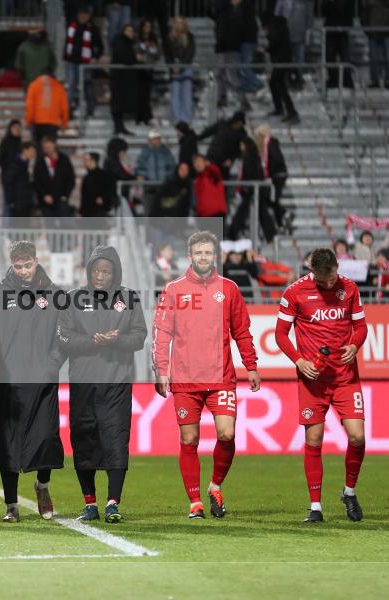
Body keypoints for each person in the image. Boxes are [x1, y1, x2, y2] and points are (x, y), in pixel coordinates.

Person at [153, 230, 261, 519]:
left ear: (216, 256)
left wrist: (251, 366)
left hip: (221, 377)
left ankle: (215, 486)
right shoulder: (173, 289)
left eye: (208, 253)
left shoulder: (229, 289)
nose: (203, 257)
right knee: (189, 439)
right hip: (186, 379)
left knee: (227, 433)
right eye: (198, 252)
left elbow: (242, 332)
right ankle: (194, 502)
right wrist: (161, 370)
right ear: (190, 256)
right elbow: (161, 334)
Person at [274, 247, 368, 523]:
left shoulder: (349, 289)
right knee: (313, 440)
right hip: (312, 380)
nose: (329, 283)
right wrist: (299, 361)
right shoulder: (294, 292)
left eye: (332, 276)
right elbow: (280, 335)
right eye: (323, 278)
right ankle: (315, 507)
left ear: (338, 266)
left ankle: (349, 491)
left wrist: (354, 343)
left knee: (357, 436)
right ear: (312, 271)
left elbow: (361, 327)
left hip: (345, 377)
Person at [59, 246, 146, 522]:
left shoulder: (128, 299)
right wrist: (91, 341)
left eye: (106, 271)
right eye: (96, 270)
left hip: (116, 383)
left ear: (115, 273)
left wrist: (116, 340)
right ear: (88, 271)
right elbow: (63, 338)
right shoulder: (73, 299)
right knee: (83, 440)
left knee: (116, 440)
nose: (100, 276)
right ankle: (90, 503)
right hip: (83, 383)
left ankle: (113, 503)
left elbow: (139, 337)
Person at [0, 241, 64, 523]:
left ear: (36, 261)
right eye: (18, 266)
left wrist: (51, 367)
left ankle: (42, 486)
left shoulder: (54, 295)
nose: (23, 271)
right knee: (8, 442)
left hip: (43, 380)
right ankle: (11, 505)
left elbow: (62, 335)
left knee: (45, 438)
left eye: (27, 265)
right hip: (9, 382)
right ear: (11, 263)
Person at [229, 137, 277, 242]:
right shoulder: (253, 156)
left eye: (242, 145)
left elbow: (250, 174)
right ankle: (271, 234)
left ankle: (233, 233)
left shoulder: (249, 157)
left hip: (252, 190)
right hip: (254, 189)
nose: (240, 147)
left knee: (243, 213)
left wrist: (246, 188)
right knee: (261, 212)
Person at [64, 6, 103, 118]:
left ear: (88, 16)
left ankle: (90, 110)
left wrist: (95, 57)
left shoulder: (93, 28)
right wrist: (66, 57)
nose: (82, 16)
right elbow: (67, 44)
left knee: (87, 86)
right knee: (71, 86)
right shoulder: (72, 26)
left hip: (86, 63)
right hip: (72, 62)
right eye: (81, 14)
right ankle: (67, 111)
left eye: (85, 14)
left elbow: (100, 46)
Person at [254, 123, 290, 231]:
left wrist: (269, 173)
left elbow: (276, 160)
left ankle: (282, 219)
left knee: (272, 199)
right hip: (277, 175)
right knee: (271, 199)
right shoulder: (268, 144)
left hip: (278, 175)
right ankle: (282, 218)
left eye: (258, 136)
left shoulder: (270, 143)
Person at [214, 0, 250, 111]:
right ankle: (223, 97)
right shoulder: (229, 12)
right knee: (221, 74)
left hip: (229, 48)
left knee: (230, 76)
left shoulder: (229, 12)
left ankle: (242, 100)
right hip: (226, 48)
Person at [264, 12, 299, 124]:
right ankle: (279, 108)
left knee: (280, 85)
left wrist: (266, 49)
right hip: (283, 58)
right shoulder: (281, 25)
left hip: (281, 60)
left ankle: (291, 111)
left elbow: (275, 42)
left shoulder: (275, 27)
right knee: (274, 83)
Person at [361, 0, 389, 90]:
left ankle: (388, 81)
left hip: (387, 34)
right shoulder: (369, 3)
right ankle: (375, 81)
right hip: (373, 34)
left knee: (388, 58)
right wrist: (367, 31)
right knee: (373, 58)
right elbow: (364, 17)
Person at [33, 136, 75, 218]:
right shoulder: (39, 162)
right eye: (45, 147)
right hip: (46, 202)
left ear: (54, 145)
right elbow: (36, 182)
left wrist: (65, 195)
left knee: (65, 226)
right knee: (50, 227)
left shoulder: (64, 159)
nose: (47, 149)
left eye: (49, 147)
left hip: (61, 200)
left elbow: (71, 179)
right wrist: (44, 195)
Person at [25, 69, 69, 145]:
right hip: (52, 123)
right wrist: (64, 124)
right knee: (50, 149)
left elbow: (30, 106)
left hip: (37, 123)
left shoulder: (33, 85)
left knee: (38, 148)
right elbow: (64, 108)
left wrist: (28, 122)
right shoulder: (59, 87)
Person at [275, 0, 312, 89]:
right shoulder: (281, 1)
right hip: (285, 35)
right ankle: (287, 79)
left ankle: (299, 79)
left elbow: (309, 18)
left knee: (299, 59)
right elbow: (277, 16)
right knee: (286, 59)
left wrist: (308, 33)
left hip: (300, 35)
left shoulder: (305, 2)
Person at [199, 111, 247, 180]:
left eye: (241, 124)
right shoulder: (222, 124)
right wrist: (197, 138)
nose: (239, 125)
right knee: (209, 180)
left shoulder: (242, 134)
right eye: (238, 123)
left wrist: (231, 159)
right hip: (212, 157)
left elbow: (240, 150)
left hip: (225, 162)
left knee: (222, 182)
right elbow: (208, 132)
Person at [166, 17, 195, 127]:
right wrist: (171, 66)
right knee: (175, 93)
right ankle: (176, 119)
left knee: (186, 94)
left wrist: (181, 66)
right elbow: (167, 53)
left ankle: (186, 119)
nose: (180, 25)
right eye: (177, 23)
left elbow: (190, 52)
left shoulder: (190, 37)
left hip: (186, 66)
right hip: (173, 66)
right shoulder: (170, 38)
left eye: (181, 23)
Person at [109, 24, 138, 135]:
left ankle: (120, 127)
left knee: (119, 104)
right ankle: (118, 127)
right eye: (128, 30)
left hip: (122, 79)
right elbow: (125, 57)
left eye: (132, 31)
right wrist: (135, 58)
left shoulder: (129, 43)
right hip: (118, 78)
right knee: (117, 103)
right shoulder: (120, 41)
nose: (130, 33)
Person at [322, 0, 355, 89]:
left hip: (342, 31)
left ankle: (347, 80)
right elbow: (324, 12)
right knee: (330, 57)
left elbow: (350, 12)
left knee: (345, 57)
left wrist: (347, 26)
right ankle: (333, 79)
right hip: (331, 31)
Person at [135, 19, 160, 126]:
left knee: (146, 94)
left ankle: (146, 116)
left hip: (149, 69)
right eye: (145, 26)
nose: (147, 29)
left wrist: (153, 49)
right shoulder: (137, 38)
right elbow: (135, 51)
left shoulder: (153, 39)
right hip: (138, 69)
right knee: (138, 94)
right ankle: (138, 117)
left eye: (149, 26)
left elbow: (157, 55)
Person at [3, 141, 36, 219]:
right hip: (17, 204)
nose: (33, 153)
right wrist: (11, 202)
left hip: (26, 203)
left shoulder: (27, 165)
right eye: (31, 151)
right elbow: (8, 183)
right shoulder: (15, 164)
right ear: (24, 150)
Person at [80, 151, 115, 224]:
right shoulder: (86, 178)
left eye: (87, 160)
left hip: (100, 211)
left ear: (93, 161)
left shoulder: (104, 175)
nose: (85, 162)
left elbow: (110, 189)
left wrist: (103, 198)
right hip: (87, 213)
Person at [0, 119, 23, 214]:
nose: (17, 130)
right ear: (10, 129)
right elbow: (0, 160)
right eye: (15, 127)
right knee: (7, 202)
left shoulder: (21, 143)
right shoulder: (5, 142)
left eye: (19, 128)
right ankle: (5, 226)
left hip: (19, 179)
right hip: (7, 178)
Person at [105, 136, 136, 208]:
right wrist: (135, 177)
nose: (124, 153)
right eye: (123, 151)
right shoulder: (112, 161)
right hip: (115, 195)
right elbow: (121, 174)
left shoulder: (113, 160)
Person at [192, 154, 226, 219]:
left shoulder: (211, 173)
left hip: (216, 214)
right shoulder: (197, 180)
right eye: (195, 162)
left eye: (199, 161)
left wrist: (210, 165)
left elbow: (217, 172)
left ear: (205, 162)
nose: (197, 164)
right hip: (203, 215)